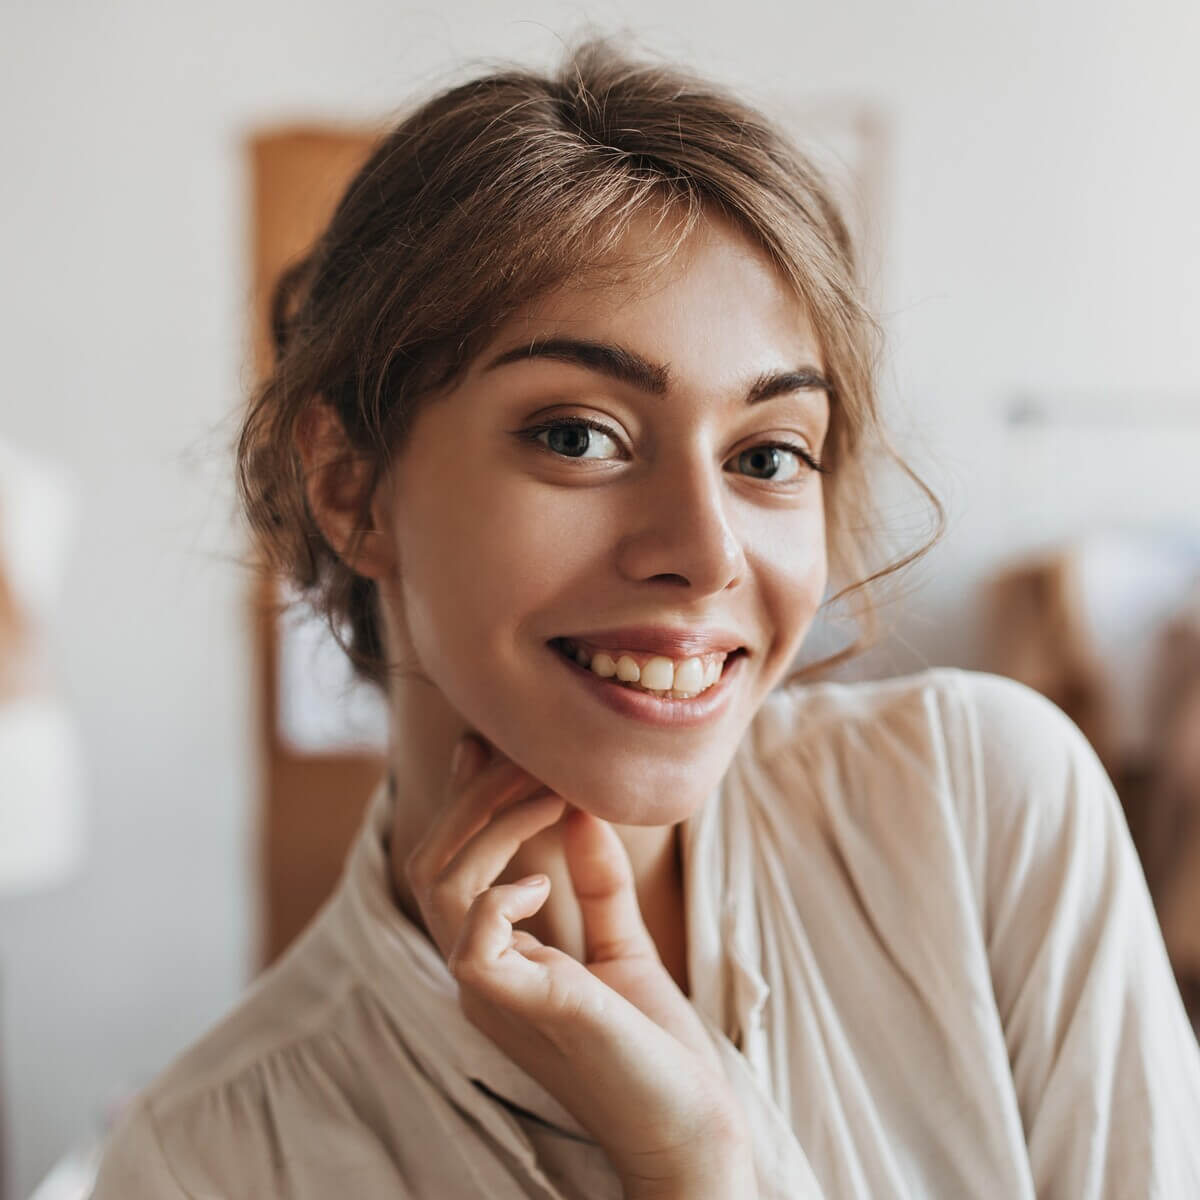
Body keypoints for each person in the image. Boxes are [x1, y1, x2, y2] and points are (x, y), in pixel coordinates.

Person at [91, 38, 1200, 1200]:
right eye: (578, 436)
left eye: (768, 455)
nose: (709, 553)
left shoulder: (987, 809)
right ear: (350, 485)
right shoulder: (207, 1163)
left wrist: (701, 1168)